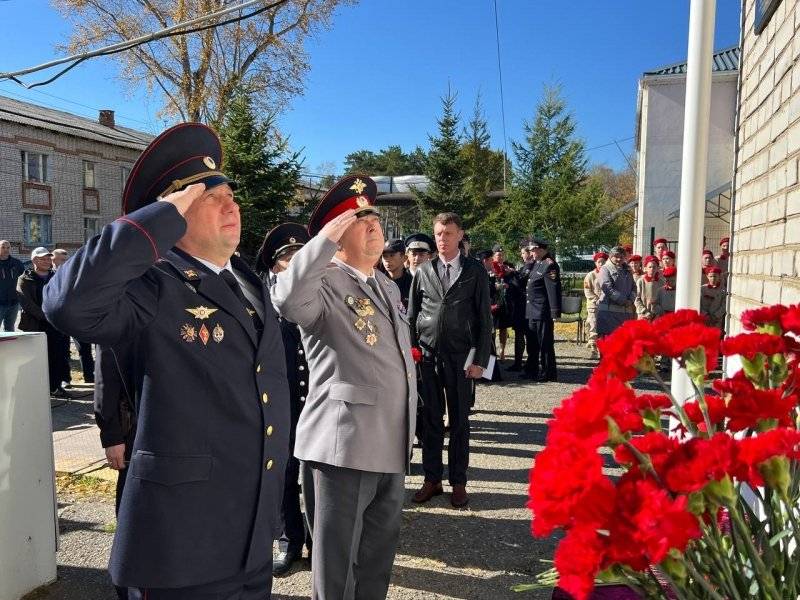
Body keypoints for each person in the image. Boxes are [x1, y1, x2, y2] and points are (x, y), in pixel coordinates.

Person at [42, 123, 290, 599]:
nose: (230, 204)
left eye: (231, 194)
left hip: (249, 536)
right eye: (210, 196)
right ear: (171, 212)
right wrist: (157, 217)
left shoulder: (248, 282)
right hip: (181, 547)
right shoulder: (152, 284)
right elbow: (67, 303)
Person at [271, 175, 416, 600]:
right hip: (343, 447)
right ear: (336, 234)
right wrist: (322, 244)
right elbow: (287, 299)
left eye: (375, 217)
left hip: (390, 441)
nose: (374, 224)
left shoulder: (386, 284)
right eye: (360, 218)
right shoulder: (324, 281)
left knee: (376, 558)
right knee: (336, 568)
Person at [408, 212, 492, 509]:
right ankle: (432, 479)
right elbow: (411, 316)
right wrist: (411, 353)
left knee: (459, 422)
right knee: (430, 421)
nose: (442, 239)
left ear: (460, 235)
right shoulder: (424, 271)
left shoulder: (474, 271)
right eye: (438, 234)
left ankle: (458, 482)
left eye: (448, 233)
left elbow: (484, 317)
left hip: (460, 358)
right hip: (428, 357)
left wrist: (481, 359)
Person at [257, 222, 313, 577]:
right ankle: (288, 539)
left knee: (320, 476)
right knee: (285, 473)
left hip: (319, 399)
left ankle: (320, 540)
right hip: (282, 401)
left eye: (299, 256)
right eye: (286, 258)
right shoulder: (262, 298)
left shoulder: (321, 290)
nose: (293, 263)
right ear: (275, 265)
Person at [94, 342, 136, 600]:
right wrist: (111, 435)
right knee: (131, 514)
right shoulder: (125, 307)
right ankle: (127, 585)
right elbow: (105, 374)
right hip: (133, 430)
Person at [17, 247, 72, 398]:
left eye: (49, 258)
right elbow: (26, 303)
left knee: (58, 356)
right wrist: (46, 316)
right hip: (35, 325)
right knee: (38, 360)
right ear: (34, 260)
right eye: (43, 258)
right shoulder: (24, 279)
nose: (47, 261)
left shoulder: (57, 276)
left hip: (56, 325)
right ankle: (38, 390)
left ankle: (55, 387)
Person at [523, 238, 562, 382]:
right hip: (532, 309)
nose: (531, 253)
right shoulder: (536, 264)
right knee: (532, 343)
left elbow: (553, 290)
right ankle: (531, 369)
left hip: (542, 311)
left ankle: (548, 372)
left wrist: (554, 311)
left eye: (533, 250)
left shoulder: (549, 265)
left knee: (545, 343)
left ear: (541, 249)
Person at [596, 246, 636, 339]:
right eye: (616, 256)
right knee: (608, 347)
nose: (619, 259)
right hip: (608, 315)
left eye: (622, 257)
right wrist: (623, 301)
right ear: (610, 256)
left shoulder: (627, 270)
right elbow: (607, 288)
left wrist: (631, 300)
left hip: (625, 316)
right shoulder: (605, 269)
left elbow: (634, 287)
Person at [490, 244, 516, 361]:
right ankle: (492, 351)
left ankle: (502, 351)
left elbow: (513, 282)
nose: (501, 257)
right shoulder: (490, 266)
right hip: (493, 301)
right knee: (492, 328)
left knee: (503, 327)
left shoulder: (508, 267)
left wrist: (510, 273)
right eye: (498, 255)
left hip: (504, 301)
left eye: (502, 255)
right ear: (494, 256)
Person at [583, 251, 607, 358]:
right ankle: (593, 347)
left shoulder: (607, 274)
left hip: (605, 305)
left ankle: (601, 347)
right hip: (593, 305)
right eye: (599, 262)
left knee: (603, 327)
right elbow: (587, 290)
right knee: (593, 325)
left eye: (603, 262)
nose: (601, 264)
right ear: (595, 263)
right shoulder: (590, 275)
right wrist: (595, 299)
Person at [381, 237, 413, 311]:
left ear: (404, 258)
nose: (387, 260)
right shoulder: (378, 281)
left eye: (392, 255)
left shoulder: (412, 283)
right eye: (384, 256)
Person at [0, 240, 24, 331]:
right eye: (3, 247)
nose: (6, 249)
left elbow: (24, 279)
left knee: (10, 330)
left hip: (13, 303)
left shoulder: (17, 263)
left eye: (8, 247)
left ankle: (8, 346)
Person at [635, 255, 663, 322]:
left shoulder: (661, 282)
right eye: (650, 267)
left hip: (657, 316)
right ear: (645, 268)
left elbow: (662, 300)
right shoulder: (641, 281)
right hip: (643, 315)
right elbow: (636, 299)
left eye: (654, 267)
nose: (652, 269)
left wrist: (657, 312)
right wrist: (644, 312)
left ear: (657, 268)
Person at [701, 266, 726, 330]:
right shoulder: (702, 289)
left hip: (717, 320)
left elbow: (724, 305)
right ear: (707, 276)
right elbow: (698, 303)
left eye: (715, 276)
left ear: (719, 276)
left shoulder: (723, 290)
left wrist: (716, 316)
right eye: (711, 276)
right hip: (704, 318)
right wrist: (705, 315)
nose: (713, 278)